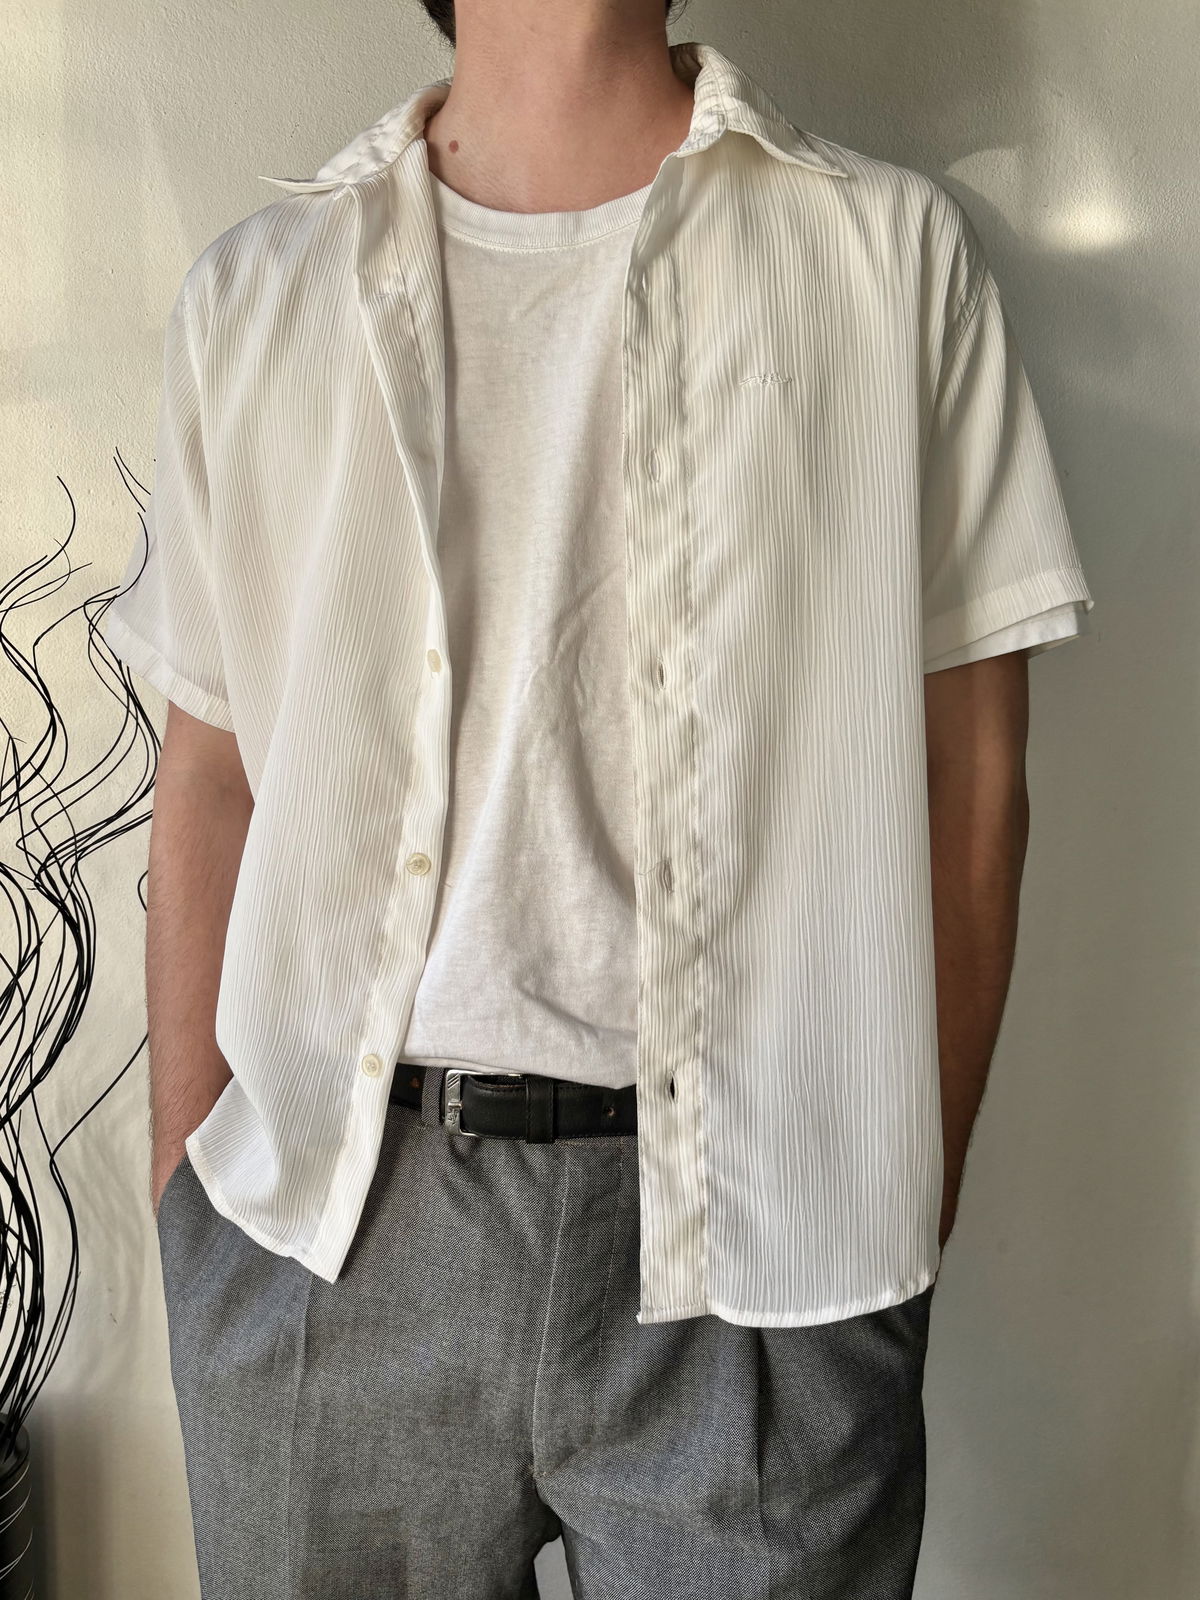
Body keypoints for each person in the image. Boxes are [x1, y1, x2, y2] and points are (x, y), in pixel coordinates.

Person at [102, 2, 1094, 1596]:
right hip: (332, 1230)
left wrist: (897, 1199)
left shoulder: (886, 257)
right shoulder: (259, 290)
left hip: (763, 1250)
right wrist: (186, 1193)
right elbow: (210, 770)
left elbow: (970, 779)